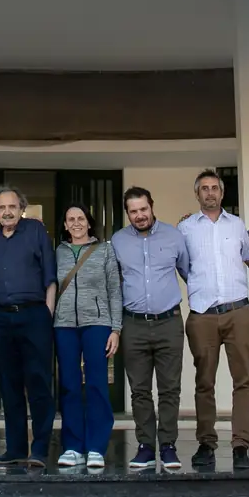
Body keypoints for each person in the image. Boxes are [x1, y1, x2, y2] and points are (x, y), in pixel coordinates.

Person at [177, 169, 249, 471]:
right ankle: (206, 444)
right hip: (203, 315)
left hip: (238, 311)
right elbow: (183, 267)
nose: (210, 193)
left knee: (244, 380)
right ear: (197, 194)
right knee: (204, 382)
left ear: (222, 193)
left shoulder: (237, 226)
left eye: (215, 188)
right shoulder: (185, 228)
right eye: (204, 189)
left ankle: (241, 446)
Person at [111, 187, 190, 471]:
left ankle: (167, 446)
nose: (139, 215)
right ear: (127, 213)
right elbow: (114, 282)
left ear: (151, 207)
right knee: (140, 390)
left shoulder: (174, 236)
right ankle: (145, 446)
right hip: (134, 324)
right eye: (133, 211)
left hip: (169, 321)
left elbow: (187, 271)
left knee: (170, 389)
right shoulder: (117, 241)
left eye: (143, 209)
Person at [0, 185, 57, 466]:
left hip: (33, 315)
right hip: (0, 317)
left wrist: (47, 312)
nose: (6, 212)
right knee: (9, 385)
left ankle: (39, 449)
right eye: (1, 207)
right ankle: (14, 450)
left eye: (11, 206)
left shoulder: (36, 231)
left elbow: (50, 274)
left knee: (38, 382)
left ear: (21, 208)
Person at [53, 203, 122, 470]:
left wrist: (116, 328)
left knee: (96, 384)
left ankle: (96, 446)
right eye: (71, 219)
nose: (76, 223)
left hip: (98, 323)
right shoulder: (57, 252)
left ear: (89, 222)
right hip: (64, 326)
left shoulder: (104, 250)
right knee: (69, 385)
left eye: (80, 218)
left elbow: (114, 290)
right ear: (65, 225)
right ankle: (72, 446)